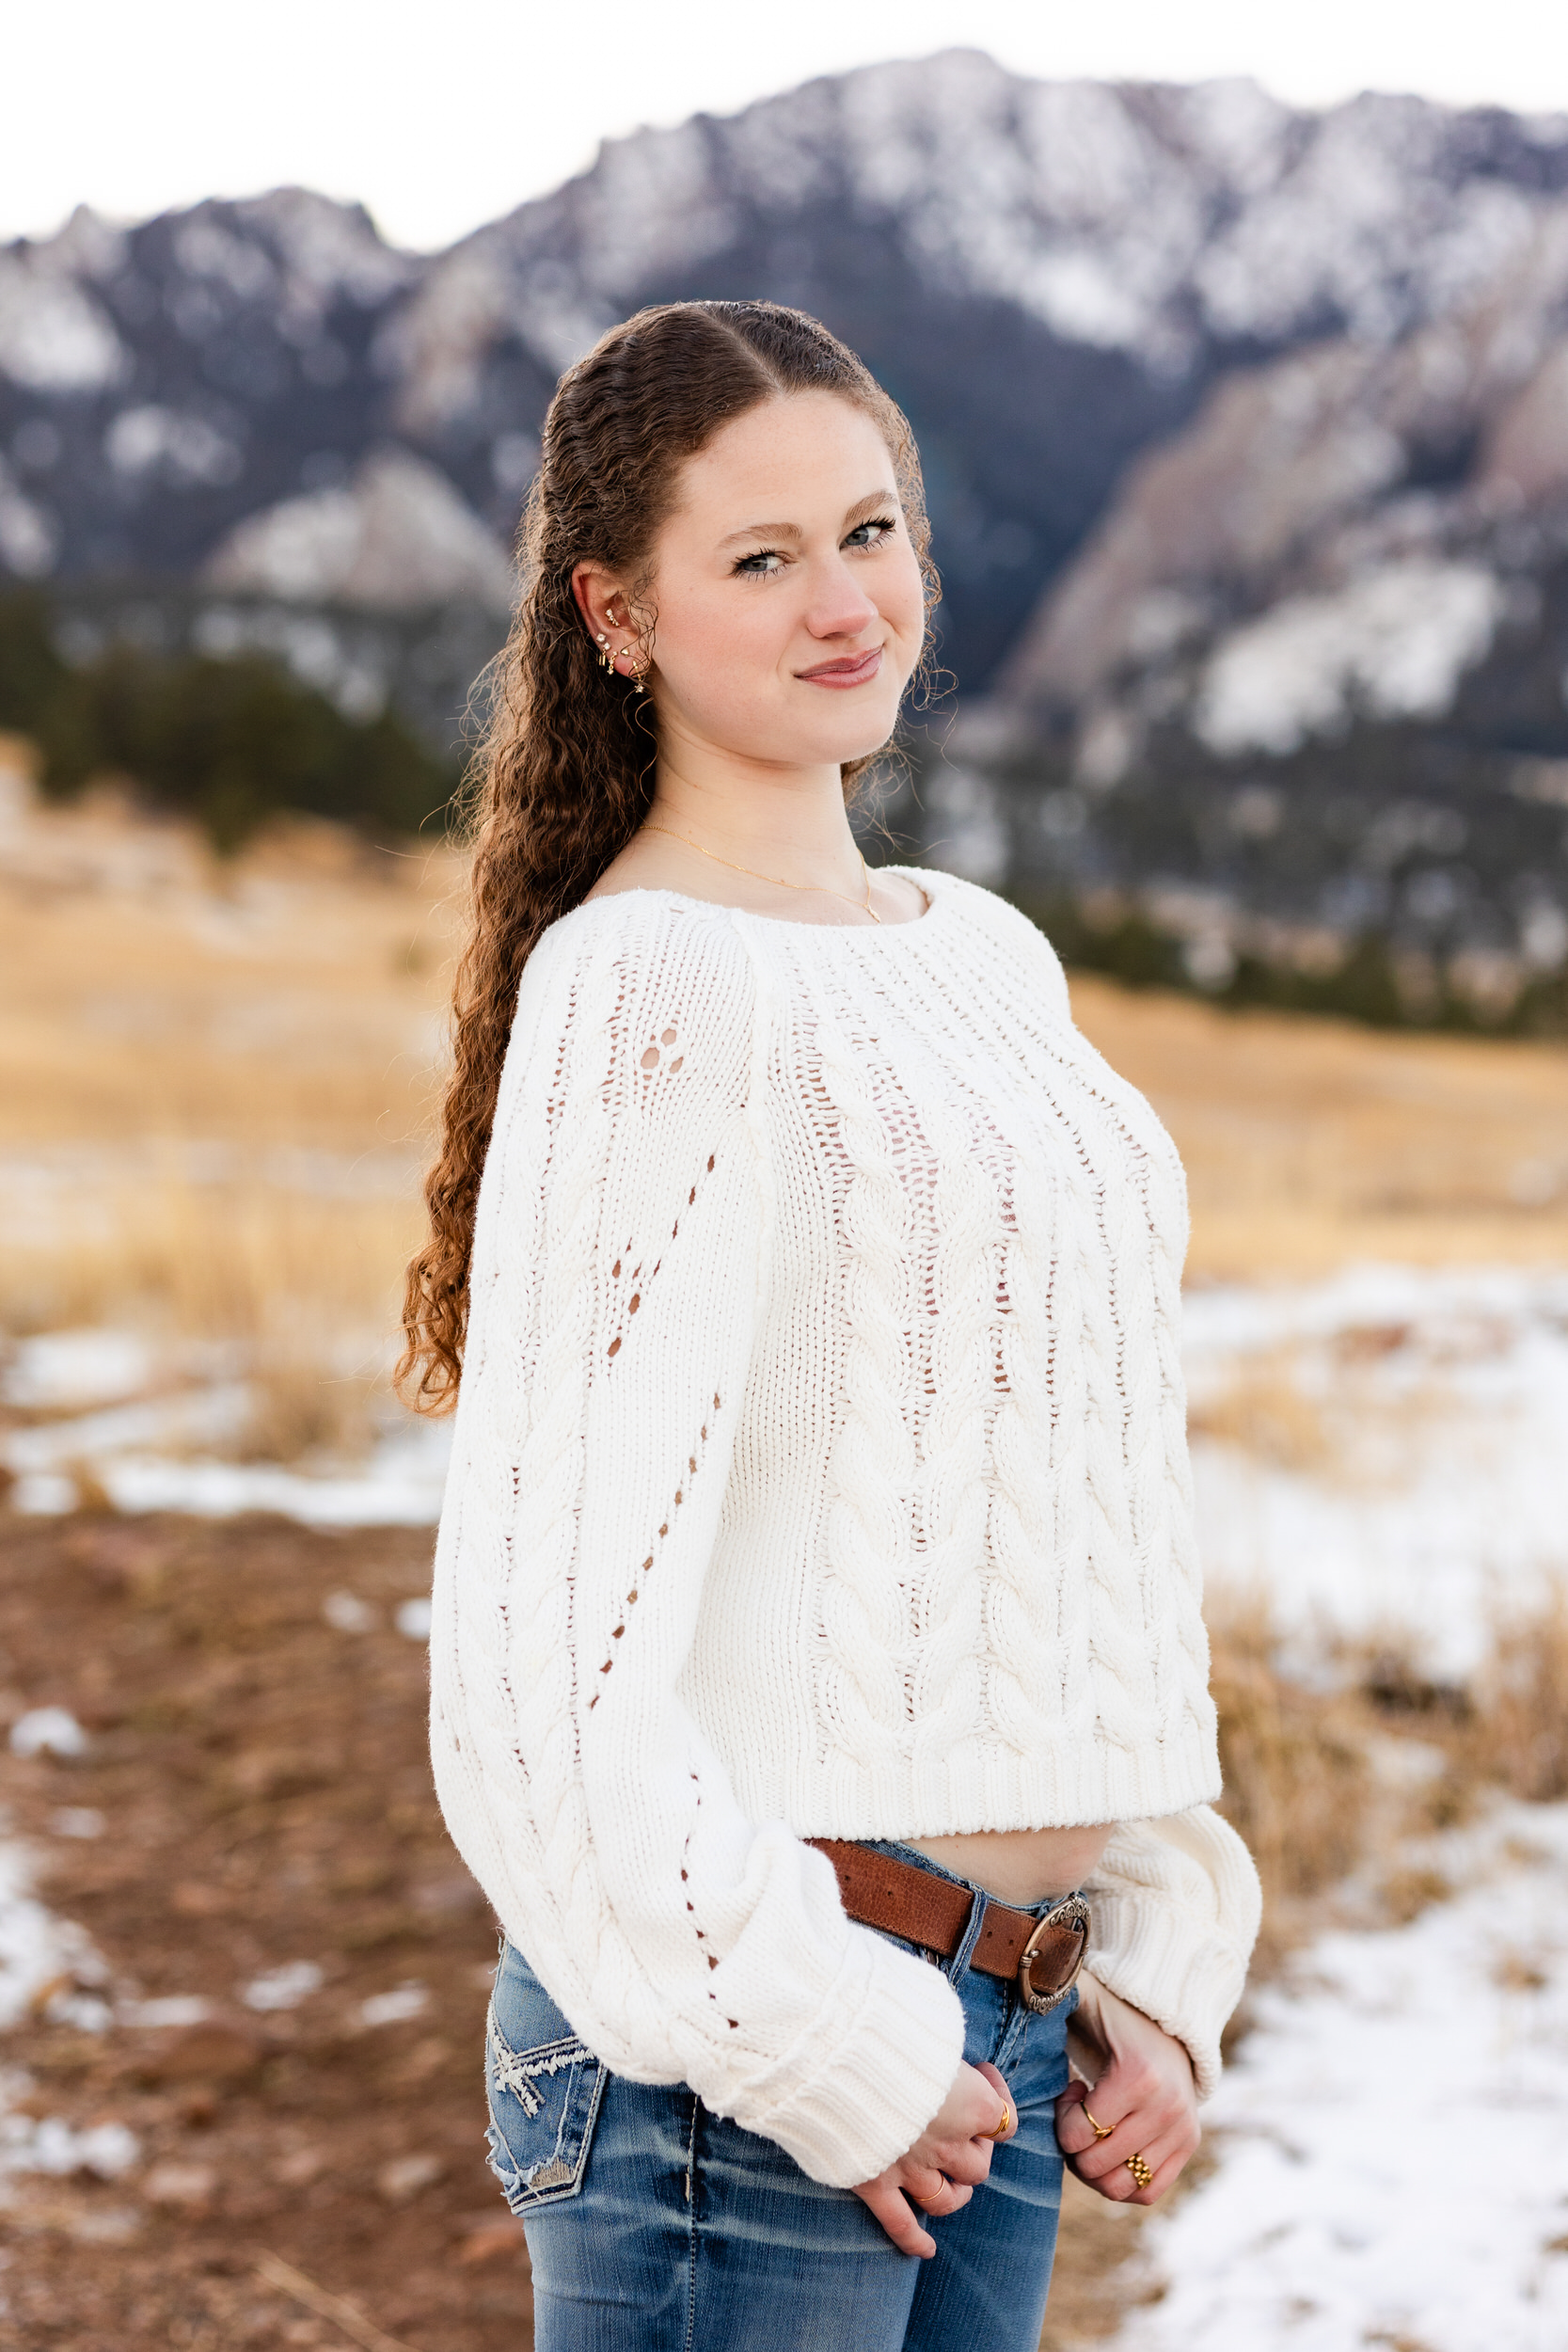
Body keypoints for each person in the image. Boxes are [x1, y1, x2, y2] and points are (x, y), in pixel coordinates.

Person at [400, 300, 1260, 2352]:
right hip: (751, 2047)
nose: (844, 601)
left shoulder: (984, 954)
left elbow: (1041, 1476)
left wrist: (1143, 1923)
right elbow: (540, 1685)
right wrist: (815, 2034)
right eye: (762, 558)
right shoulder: (648, 988)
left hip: (1013, 2019)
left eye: (870, 532)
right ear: (617, 615)